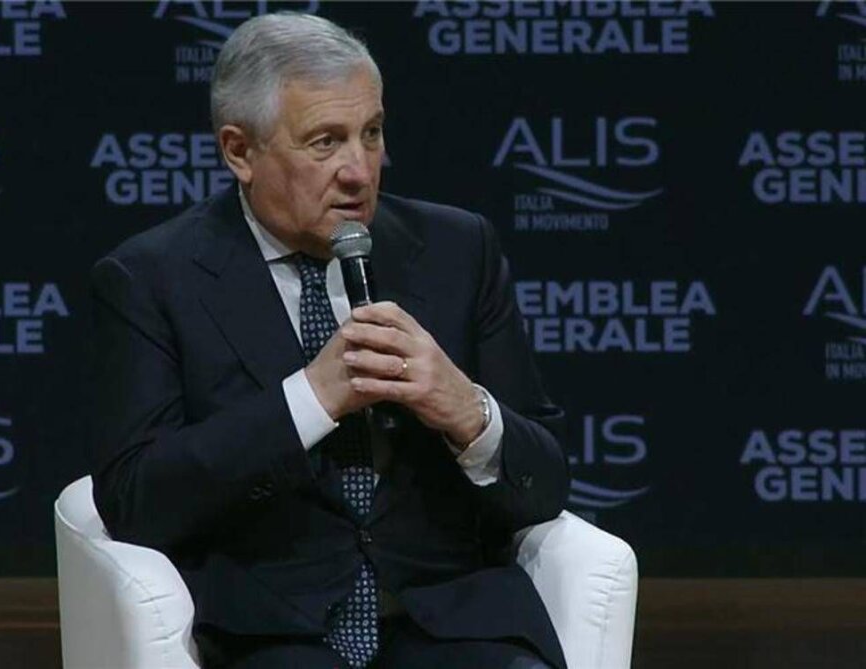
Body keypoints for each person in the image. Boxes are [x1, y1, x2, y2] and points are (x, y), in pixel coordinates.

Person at [90, 12, 569, 669]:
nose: (359, 171)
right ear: (239, 152)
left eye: (371, 133)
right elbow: (135, 499)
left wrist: (467, 410)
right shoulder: (152, 278)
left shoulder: (458, 250)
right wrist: (311, 399)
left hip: (450, 623)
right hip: (275, 633)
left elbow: (546, 485)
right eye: (325, 142)